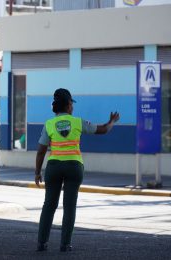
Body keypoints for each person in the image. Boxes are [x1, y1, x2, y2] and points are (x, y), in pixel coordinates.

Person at [34, 88, 120, 252]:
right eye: (71, 104)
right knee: (69, 206)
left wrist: (37, 172)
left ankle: (41, 243)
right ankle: (65, 244)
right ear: (67, 105)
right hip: (74, 167)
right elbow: (102, 130)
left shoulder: (49, 124)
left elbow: (41, 151)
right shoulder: (78, 122)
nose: (72, 107)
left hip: (54, 167)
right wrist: (112, 122)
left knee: (49, 205)